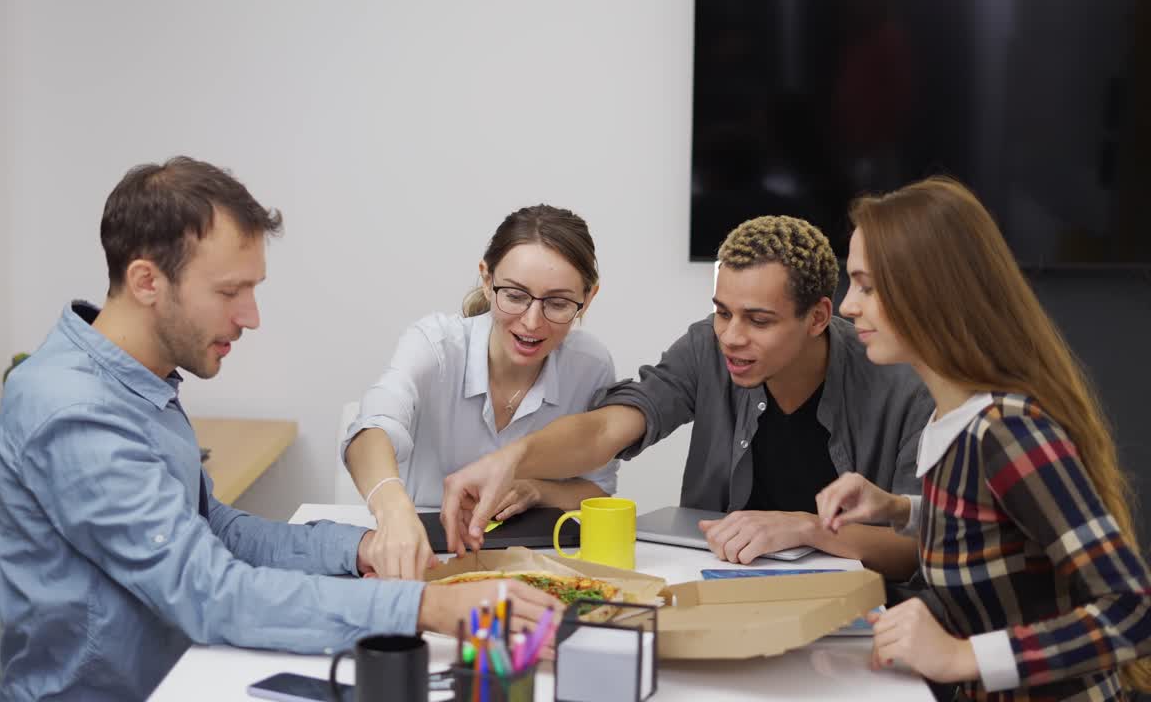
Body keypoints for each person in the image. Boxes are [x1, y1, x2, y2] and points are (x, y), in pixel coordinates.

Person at [0, 157, 560, 701]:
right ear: (145, 282)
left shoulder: (138, 380)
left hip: (186, 672)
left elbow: (216, 532)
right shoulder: (76, 411)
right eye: (229, 292)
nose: (251, 317)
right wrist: (424, 608)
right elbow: (209, 593)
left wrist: (358, 550)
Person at [440, 215, 932, 580]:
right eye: (722, 312)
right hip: (719, 595)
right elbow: (611, 426)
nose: (731, 337)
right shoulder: (706, 346)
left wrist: (808, 528)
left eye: (758, 320)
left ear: (819, 317)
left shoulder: (900, 382)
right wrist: (516, 457)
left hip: (857, 622)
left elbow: (917, 547)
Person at [816, 176, 1151, 700]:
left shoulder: (1007, 431)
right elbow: (1004, 533)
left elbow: (1133, 611)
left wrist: (960, 656)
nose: (846, 306)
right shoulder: (955, 420)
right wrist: (899, 510)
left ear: (928, 289)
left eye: (867, 286)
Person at [342, 204, 618, 580]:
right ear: (486, 280)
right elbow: (370, 428)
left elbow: (598, 492)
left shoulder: (590, 365)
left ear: (587, 299)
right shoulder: (435, 346)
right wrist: (394, 511)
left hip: (531, 564)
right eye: (516, 296)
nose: (532, 322)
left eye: (557, 303)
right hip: (421, 558)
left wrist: (537, 491)